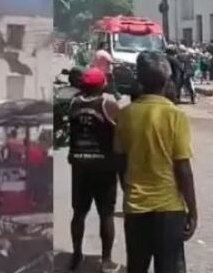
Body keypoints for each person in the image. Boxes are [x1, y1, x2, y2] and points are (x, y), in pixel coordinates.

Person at [115, 51, 197, 273]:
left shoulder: (125, 115)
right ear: (167, 80)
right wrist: (192, 210)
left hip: (135, 207)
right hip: (169, 208)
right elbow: (183, 168)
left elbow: (120, 163)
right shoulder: (175, 115)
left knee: (137, 266)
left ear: (139, 80)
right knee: (169, 267)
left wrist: (129, 190)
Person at [66, 67, 122, 272]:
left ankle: (76, 255)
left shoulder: (74, 103)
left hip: (80, 166)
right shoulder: (108, 104)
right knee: (106, 214)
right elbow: (122, 128)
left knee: (79, 213)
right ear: (101, 85)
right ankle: (106, 260)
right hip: (103, 167)